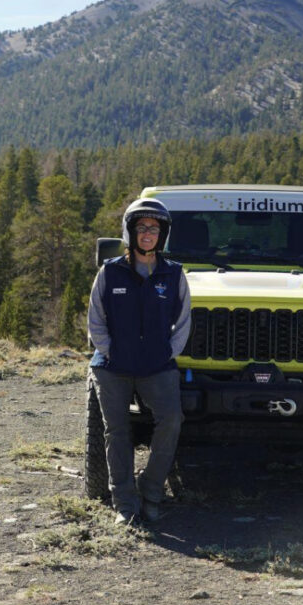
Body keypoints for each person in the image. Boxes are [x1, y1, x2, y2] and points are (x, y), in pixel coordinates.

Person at [88, 197, 191, 524]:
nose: (148, 233)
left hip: (157, 367)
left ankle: (150, 489)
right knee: (116, 432)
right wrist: (109, 351)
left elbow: (183, 321)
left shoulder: (173, 274)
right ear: (130, 231)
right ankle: (125, 505)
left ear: (163, 235)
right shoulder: (111, 271)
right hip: (113, 368)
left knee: (171, 421)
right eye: (142, 227)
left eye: (154, 228)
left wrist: (167, 353)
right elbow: (95, 319)